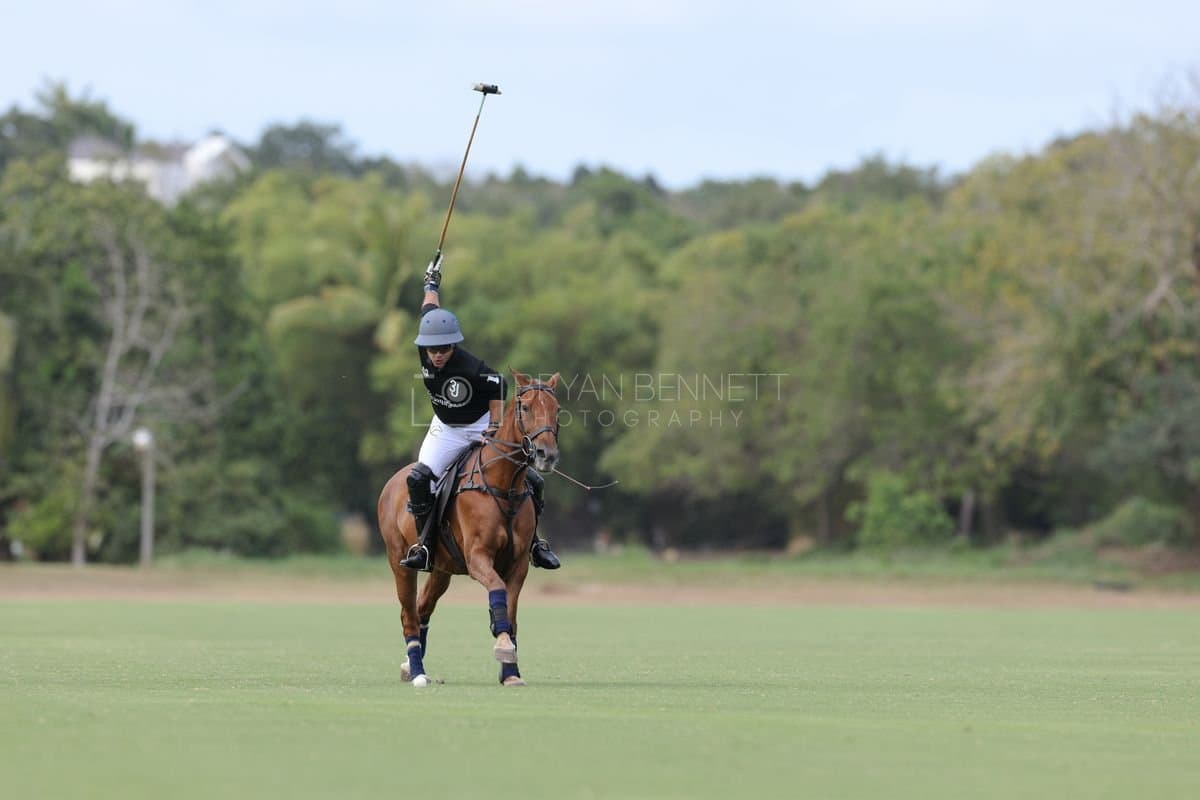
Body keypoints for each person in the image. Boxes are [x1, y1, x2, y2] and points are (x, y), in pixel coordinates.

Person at [398, 255, 561, 572]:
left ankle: (535, 544)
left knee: (533, 480)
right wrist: (431, 283)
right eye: (433, 350)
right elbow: (429, 308)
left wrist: (495, 426)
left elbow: (500, 384)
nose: (438, 355)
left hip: (480, 424)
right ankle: (425, 547)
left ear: (453, 345)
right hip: (446, 428)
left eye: (444, 349)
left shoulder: (472, 367)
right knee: (419, 479)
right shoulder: (427, 343)